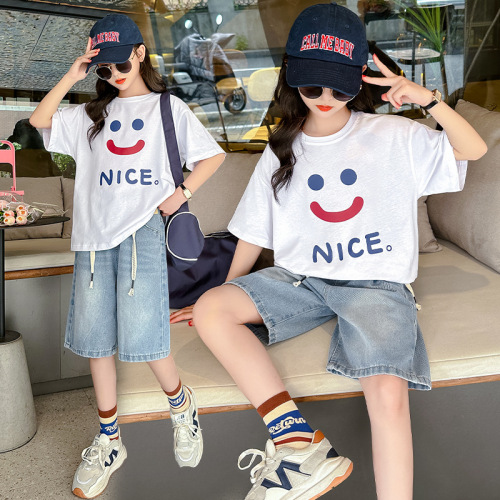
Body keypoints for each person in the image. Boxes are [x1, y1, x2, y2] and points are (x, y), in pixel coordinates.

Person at [172, 3, 487, 500]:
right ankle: (298, 444)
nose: (325, 99)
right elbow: (254, 231)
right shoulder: (283, 147)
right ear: (292, 75)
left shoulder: (395, 136)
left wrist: (427, 99)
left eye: (339, 88)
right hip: (300, 281)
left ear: (359, 80)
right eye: (313, 86)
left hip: (375, 284)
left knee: (388, 396)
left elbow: (473, 150)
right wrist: (227, 292)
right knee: (212, 309)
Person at [29, 13, 225, 499]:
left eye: (121, 63)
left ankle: (180, 405)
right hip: (92, 238)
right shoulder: (90, 115)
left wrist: (180, 194)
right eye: (105, 69)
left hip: (142, 232)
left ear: (140, 53)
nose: (115, 75)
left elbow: (213, 156)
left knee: (145, 335)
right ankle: (109, 439)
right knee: (96, 341)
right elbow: (40, 121)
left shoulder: (168, 108)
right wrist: (73, 75)